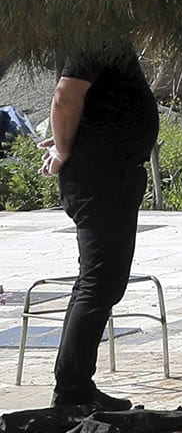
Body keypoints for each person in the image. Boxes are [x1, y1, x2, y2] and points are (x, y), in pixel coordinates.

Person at [41, 44, 157, 414]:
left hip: (112, 172)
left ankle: (76, 386)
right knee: (99, 282)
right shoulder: (94, 32)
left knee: (101, 282)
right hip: (101, 176)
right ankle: (72, 392)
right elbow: (65, 96)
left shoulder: (106, 35)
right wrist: (61, 148)